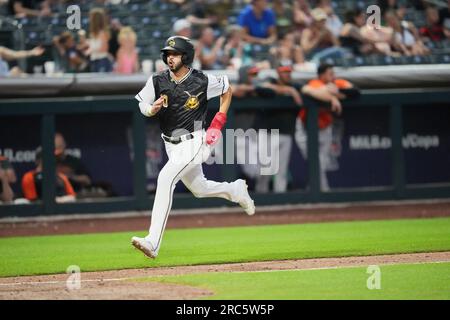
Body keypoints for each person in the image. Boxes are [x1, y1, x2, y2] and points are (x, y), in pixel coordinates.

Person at [132, 36, 255, 259]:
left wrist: (218, 122)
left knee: (165, 178)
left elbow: (227, 90)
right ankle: (236, 190)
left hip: (196, 141)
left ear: (186, 56)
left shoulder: (202, 80)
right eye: (168, 54)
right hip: (170, 144)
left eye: (175, 54)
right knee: (200, 189)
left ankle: (152, 241)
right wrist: (150, 109)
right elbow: (142, 103)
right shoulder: (158, 80)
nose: (170, 58)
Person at [296, 63, 360, 191]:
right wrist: (332, 98)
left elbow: (355, 91)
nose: (333, 76)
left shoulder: (336, 83)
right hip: (305, 128)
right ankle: (322, 190)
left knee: (322, 163)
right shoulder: (315, 83)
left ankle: (314, 189)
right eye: (330, 74)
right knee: (315, 162)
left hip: (325, 126)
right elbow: (314, 92)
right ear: (321, 75)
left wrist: (338, 92)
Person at [257, 64, 303, 193]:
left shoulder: (296, 86)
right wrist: (289, 91)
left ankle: (280, 197)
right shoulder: (272, 82)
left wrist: (292, 90)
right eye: (284, 72)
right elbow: (262, 87)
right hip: (269, 133)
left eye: (289, 72)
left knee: (281, 170)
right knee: (264, 169)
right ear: (278, 73)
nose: (287, 74)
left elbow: (306, 90)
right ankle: (261, 197)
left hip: (286, 133)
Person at [86, 8, 113, 72]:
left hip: (102, 61)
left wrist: (92, 50)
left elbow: (104, 49)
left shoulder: (102, 33)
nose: (89, 19)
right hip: (94, 60)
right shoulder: (93, 34)